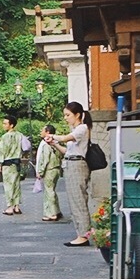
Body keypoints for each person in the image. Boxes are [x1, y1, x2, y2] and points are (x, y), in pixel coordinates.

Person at [46, 101, 95, 245]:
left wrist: (53, 136)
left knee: (78, 201)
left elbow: (65, 138)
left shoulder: (82, 128)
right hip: (71, 163)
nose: (65, 118)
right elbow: (67, 151)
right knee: (74, 201)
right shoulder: (76, 130)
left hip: (77, 165)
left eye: (68, 115)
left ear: (77, 115)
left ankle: (84, 235)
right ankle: (81, 233)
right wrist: (54, 144)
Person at [0, 116, 31, 215]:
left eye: (5, 123)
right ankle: (17, 206)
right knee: (16, 185)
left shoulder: (5, 137)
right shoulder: (20, 135)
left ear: (11, 125)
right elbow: (25, 148)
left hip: (7, 163)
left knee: (8, 185)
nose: (3, 125)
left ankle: (9, 207)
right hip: (17, 163)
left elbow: (1, 151)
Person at [35, 123, 64, 221]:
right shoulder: (56, 144)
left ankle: (52, 213)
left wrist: (40, 171)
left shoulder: (45, 144)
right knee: (52, 190)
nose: (41, 132)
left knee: (49, 191)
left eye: (42, 130)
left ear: (47, 132)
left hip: (49, 170)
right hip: (56, 169)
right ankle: (57, 211)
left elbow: (44, 160)